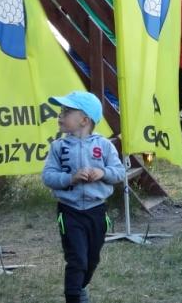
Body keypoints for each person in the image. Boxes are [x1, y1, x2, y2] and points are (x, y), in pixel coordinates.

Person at [42, 91, 124, 303]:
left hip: (97, 212)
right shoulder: (58, 147)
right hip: (70, 212)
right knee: (76, 258)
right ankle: (73, 296)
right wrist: (70, 178)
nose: (60, 115)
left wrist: (102, 173)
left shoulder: (104, 145)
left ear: (84, 120)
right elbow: (48, 177)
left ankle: (80, 288)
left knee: (91, 259)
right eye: (61, 111)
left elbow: (119, 172)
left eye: (66, 111)